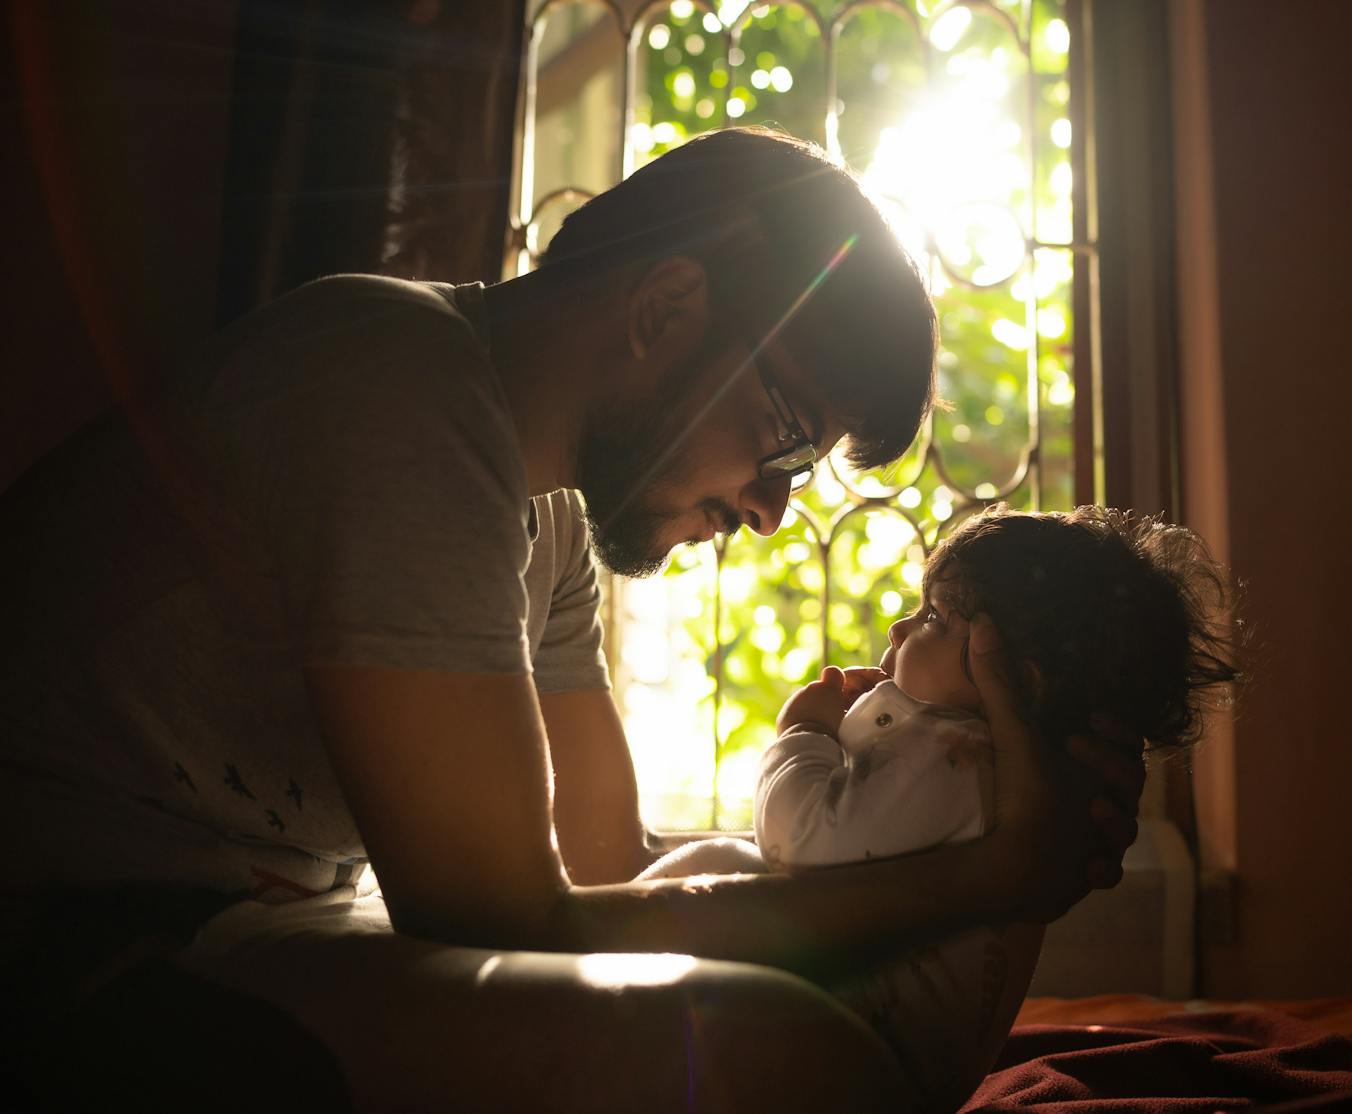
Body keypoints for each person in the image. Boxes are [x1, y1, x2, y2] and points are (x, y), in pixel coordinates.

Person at [1, 127, 1144, 1113]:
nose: (768, 510)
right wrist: (990, 875)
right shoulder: (401, 395)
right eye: (786, 437)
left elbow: (608, 867)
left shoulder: (545, 521)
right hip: (83, 938)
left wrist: (991, 803)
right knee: (766, 1053)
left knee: (740, 915)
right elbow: (511, 923)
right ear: (665, 308)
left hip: (263, 918)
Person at [642, 505, 1240, 1108]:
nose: (898, 630)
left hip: (841, 1068)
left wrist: (802, 734)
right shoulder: (1001, 778)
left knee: (718, 866)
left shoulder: (959, 759)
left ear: (1016, 675)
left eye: (932, 616)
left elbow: (802, 844)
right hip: (873, 1066)